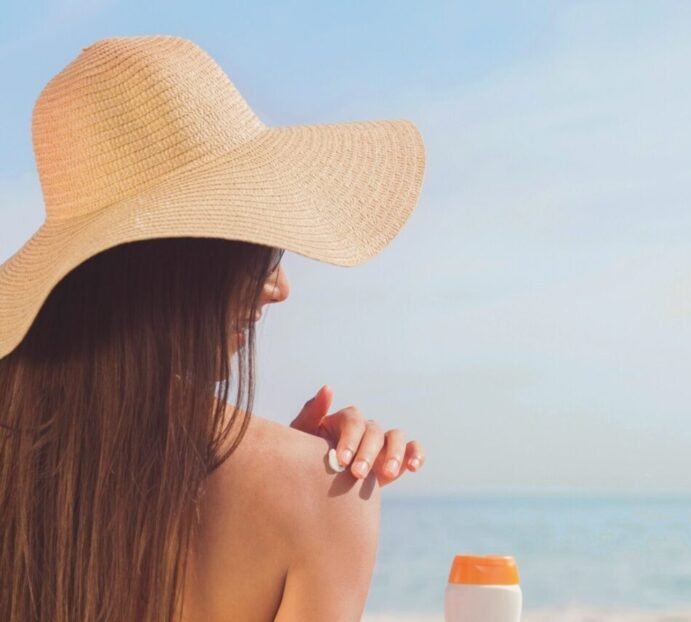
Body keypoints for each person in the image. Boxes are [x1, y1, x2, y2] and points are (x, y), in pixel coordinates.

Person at [0, 35, 427, 622]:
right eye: (257, 249)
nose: (279, 288)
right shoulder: (322, 499)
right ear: (183, 261)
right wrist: (304, 485)